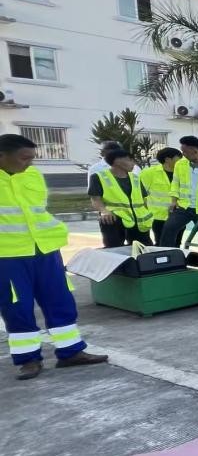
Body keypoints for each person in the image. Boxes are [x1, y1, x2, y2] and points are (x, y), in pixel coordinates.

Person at [1, 134, 108, 380]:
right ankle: (28, 360)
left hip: (45, 249)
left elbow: (37, 211)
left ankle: (70, 352)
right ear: (2, 156)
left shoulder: (32, 175)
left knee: (59, 300)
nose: (29, 164)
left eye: (32, 159)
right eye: (24, 158)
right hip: (8, 256)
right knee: (17, 306)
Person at [161, 136, 198, 265]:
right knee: (169, 228)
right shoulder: (180, 164)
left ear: (194, 150)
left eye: (184, 151)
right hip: (184, 206)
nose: (182, 154)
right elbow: (175, 183)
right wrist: (173, 200)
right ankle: (166, 259)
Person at [90, 149, 153, 247]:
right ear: (117, 161)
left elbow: (144, 200)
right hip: (114, 219)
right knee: (114, 249)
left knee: (144, 250)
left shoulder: (135, 178)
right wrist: (104, 211)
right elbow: (95, 199)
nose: (133, 163)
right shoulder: (98, 177)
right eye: (130, 160)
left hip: (139, 221)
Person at [140, 147, 181, 245]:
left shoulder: (182, 173)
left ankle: (176, 260)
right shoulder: (149, 173)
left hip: (178, 216)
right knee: (161, 243)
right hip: (158, 217)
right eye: (178, 158)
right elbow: (139, 194)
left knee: (177, 243)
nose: (181, 160)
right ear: (167, 159)